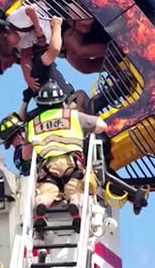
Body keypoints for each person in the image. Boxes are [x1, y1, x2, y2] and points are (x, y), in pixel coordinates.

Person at [21, 80, 107, 231]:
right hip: (72, 163)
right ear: (62, 102)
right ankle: (74, 205)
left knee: (47, 191)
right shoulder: (73, 116)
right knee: (75, 191)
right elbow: (102, 126)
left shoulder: (32, 124)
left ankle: (41, 206)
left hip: (47, 167)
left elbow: (26, 155)